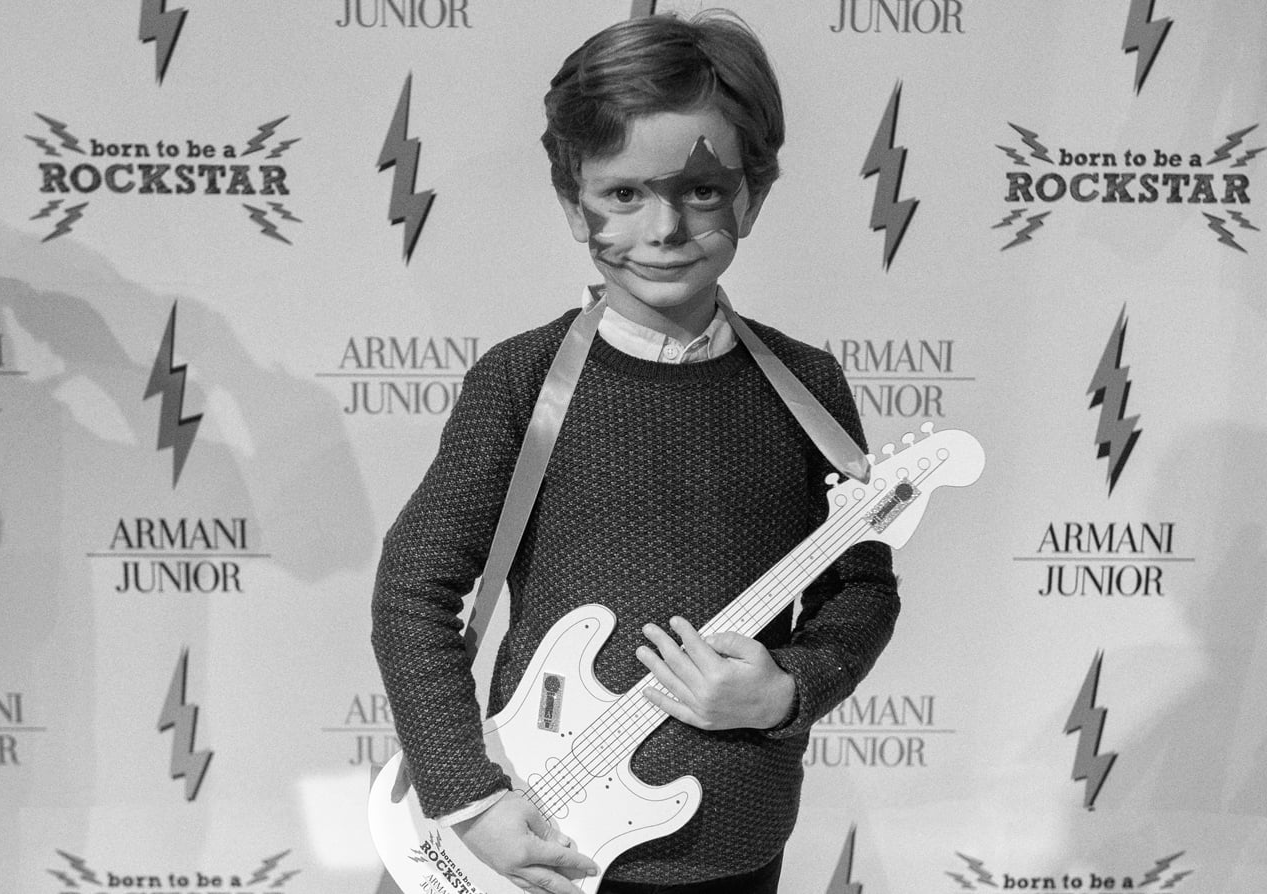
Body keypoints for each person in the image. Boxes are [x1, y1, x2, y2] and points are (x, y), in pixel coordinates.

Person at [371, 10, 899, 894]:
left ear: (753, 196)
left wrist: (788, 690)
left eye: (701, 192)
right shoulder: (521, 380)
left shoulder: (809, 388)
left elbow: (863, 584)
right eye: (624, 195)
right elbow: (413, 588)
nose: (662, 230)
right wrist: (469, 797)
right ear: (572, 200)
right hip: (535, 843)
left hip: (736, 847)